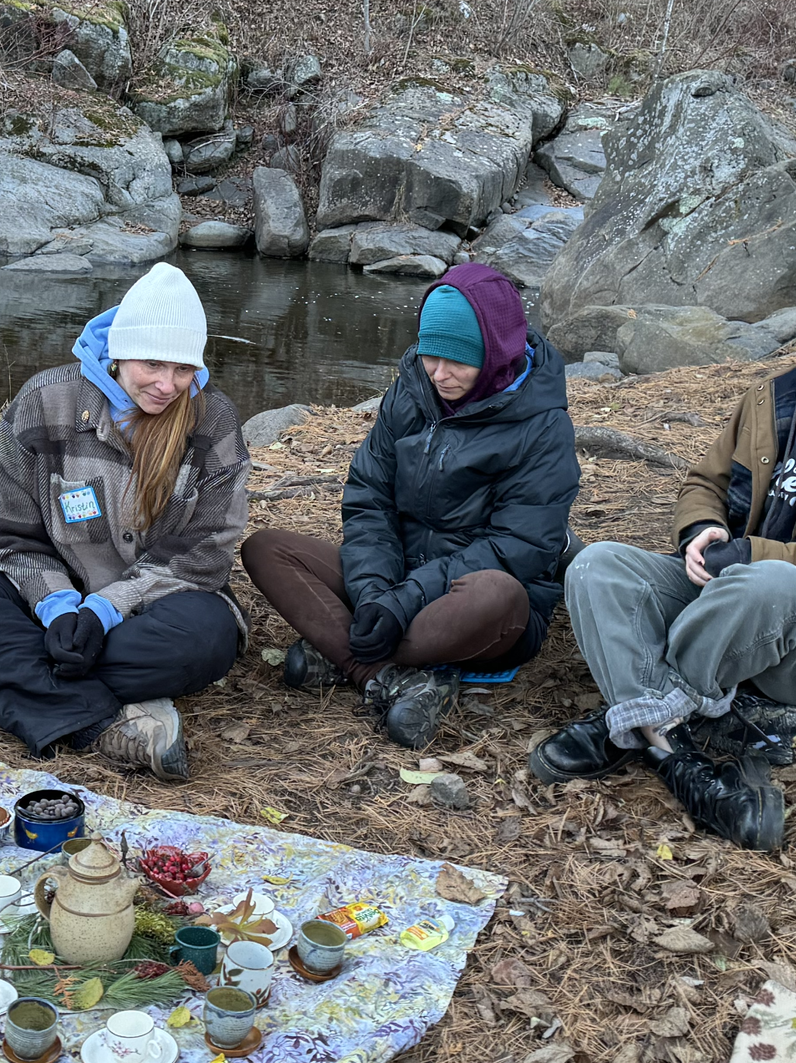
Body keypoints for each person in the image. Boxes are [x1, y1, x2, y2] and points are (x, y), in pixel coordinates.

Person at [530, 236, 796, 852]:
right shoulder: (772, 399)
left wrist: (763, 556)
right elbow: (703, 484)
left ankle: (632, 719)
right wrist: (700, 529)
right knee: (598, 566)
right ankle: (671, 749)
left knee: (770, 583)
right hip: (735, 603)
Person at [0, 262, 247, 781]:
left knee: (208, 640)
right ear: (118, 354)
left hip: (156, 612)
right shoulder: (45, 401)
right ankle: (104, 724)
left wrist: (105, 612)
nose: (167, 384)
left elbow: (205, 552)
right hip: (47, 608)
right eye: (153, 364)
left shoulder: (214, 420)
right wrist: (59, 606)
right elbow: (7, 533)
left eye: (183, 370)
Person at [242, 263, 577, 749]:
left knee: (497, 594)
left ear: (496, 350)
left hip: (469, 602)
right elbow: (369, 498)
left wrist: (405, 600)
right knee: (267, 549)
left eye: (457, 361)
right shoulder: (410, 393)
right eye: (429, 356)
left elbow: (518, 546)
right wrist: (375, 590)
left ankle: (346, 654)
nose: (439, 374)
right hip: (395, 578)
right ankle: (386, 675)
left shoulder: (543, 427)